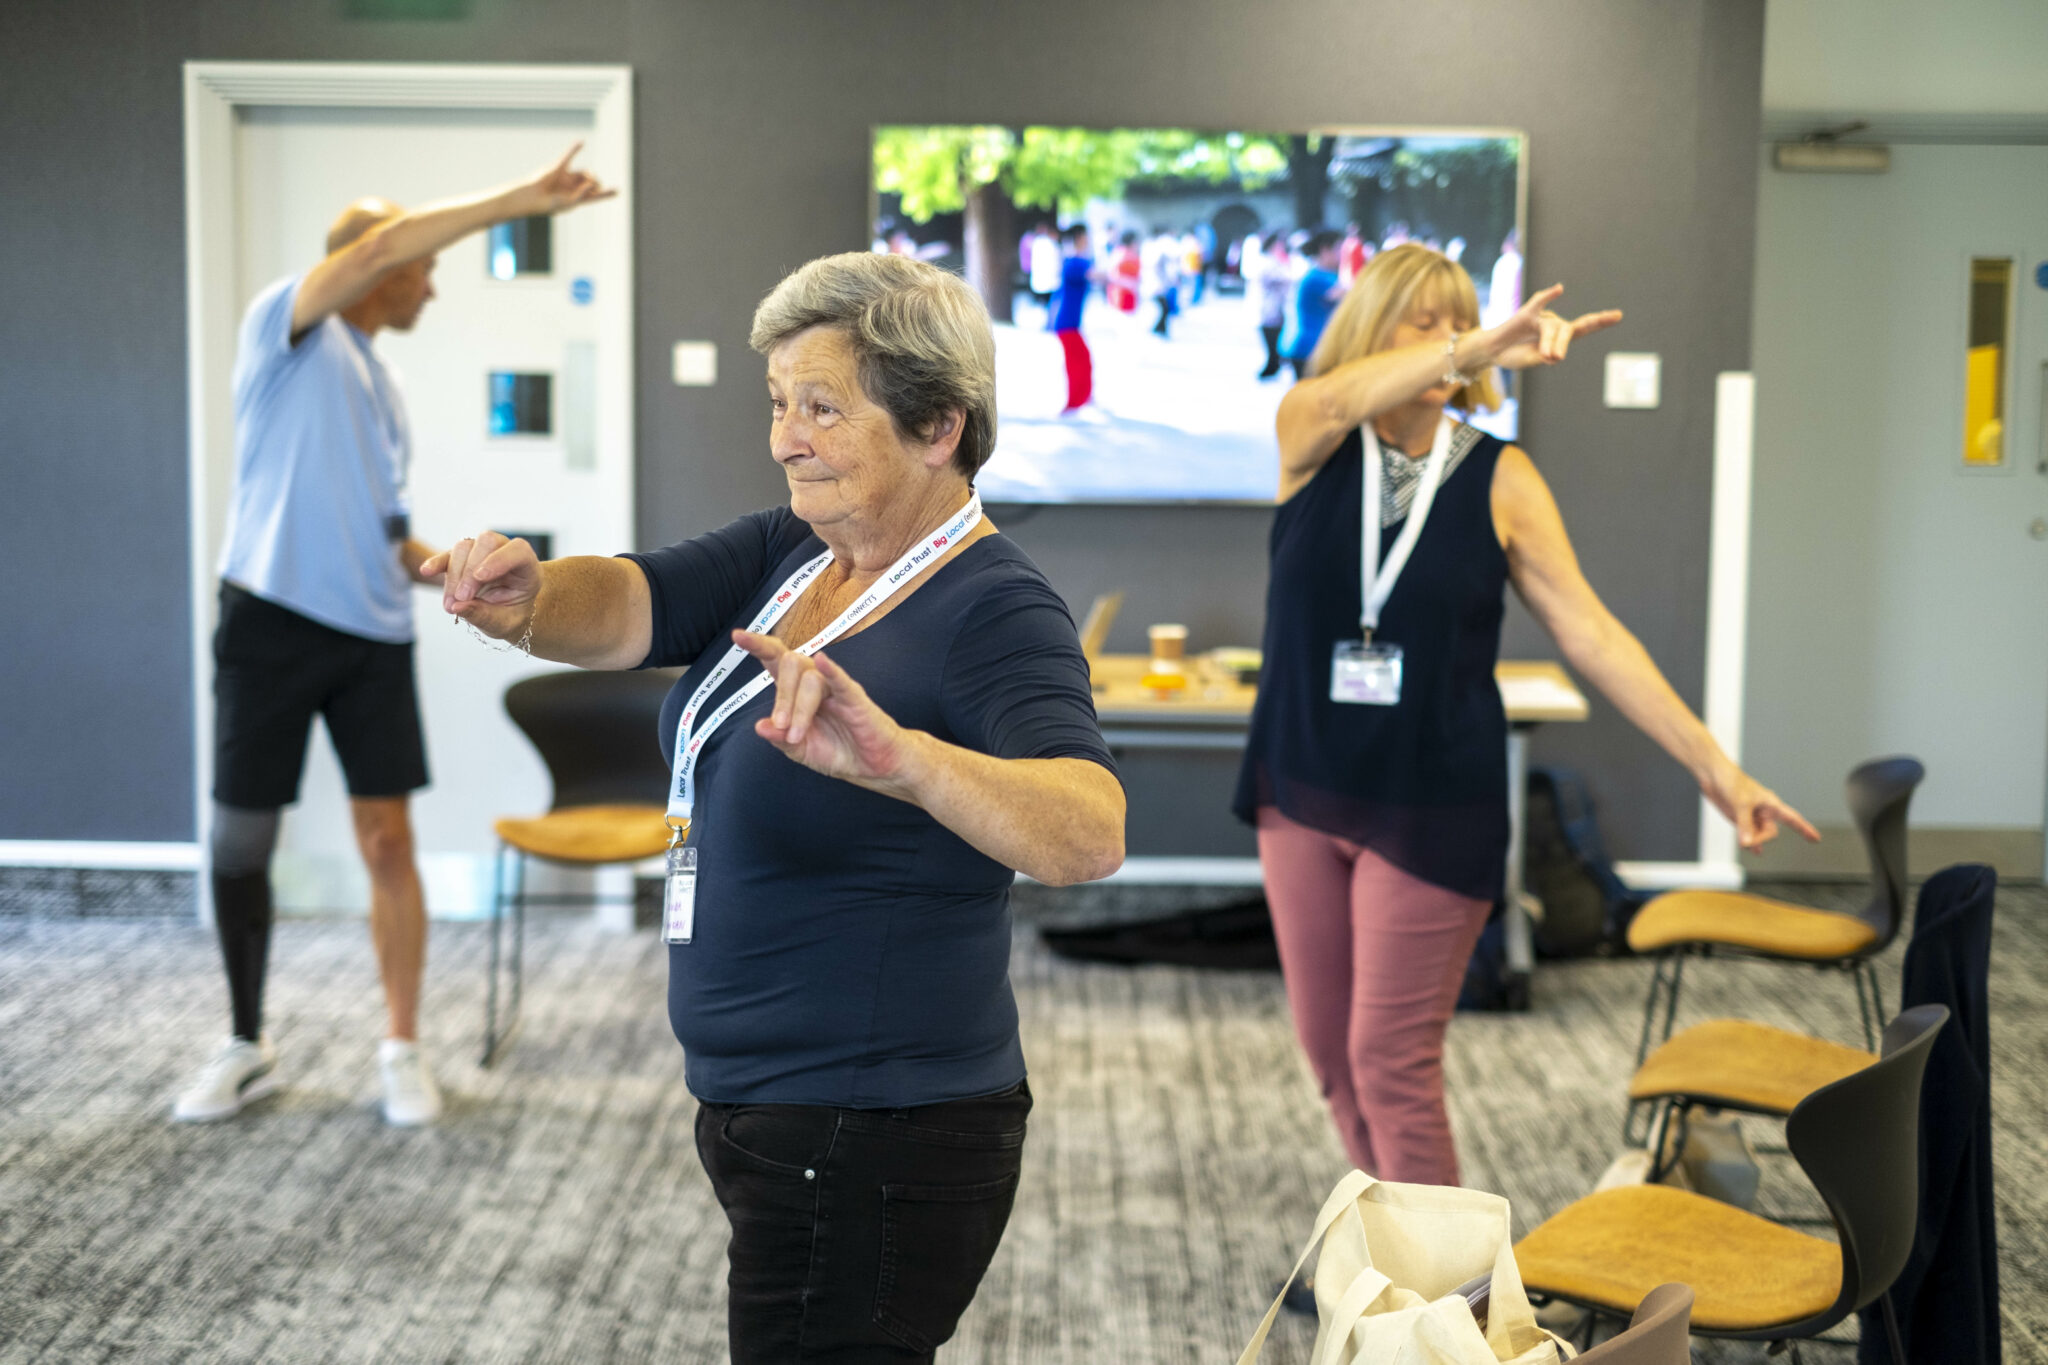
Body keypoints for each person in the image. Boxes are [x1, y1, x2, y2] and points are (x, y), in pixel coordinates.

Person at [430, 251, 1126, 1362]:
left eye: (821, 408)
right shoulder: (795, 549)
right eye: (778, 404)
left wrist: (908, 763)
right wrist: (530, 600)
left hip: (877, 1126)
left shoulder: (996, 609)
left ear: (938, 424)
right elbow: (626, 607)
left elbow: (1088, 831)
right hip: (779, 1110)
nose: (784, 436)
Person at [1233, 243, 1818, 1195]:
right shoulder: (1313, 434)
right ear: (1368, 328)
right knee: (1331, 1056)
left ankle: (1456, 1309)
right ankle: (1391, 1265)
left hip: (1431, 809)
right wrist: (1472, 349)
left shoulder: (1502, 477)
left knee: (1389, 1058)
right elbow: (1337, 399)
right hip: (1300, 793)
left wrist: (1716, 766)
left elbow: (1594, 635)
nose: (1446, 339)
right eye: (1421, 320)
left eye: (1457, 319)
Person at [173, 145, 617, 1127]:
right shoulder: (286, 330)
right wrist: (519, 201)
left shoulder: (381, 382)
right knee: (242, 838)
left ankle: (400, 1046)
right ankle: (247, 1043)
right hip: (269, 623)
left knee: (388, 838)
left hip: (369, 637)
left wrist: (455, 571)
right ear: (377, 267)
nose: (431, 276)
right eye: (419, 263)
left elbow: (380, 533)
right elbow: (387, 241)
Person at [1279, 229, 1346, 381]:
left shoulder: (1326, 275)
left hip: (1313, 347)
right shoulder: (1316, 277)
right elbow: (1350, 295)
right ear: (1325, 249)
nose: (1343, 254)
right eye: (1339, 249)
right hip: (1308, 348)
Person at [1052, 225, 1100, 414]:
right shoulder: (1074, 262)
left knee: (1083, 359)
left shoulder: (1076, 260)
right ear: (1080, 237)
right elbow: (1097, 275)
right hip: (1066, 323)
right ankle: (1073, 403)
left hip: (1070, 323)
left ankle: (1083, 398)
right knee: (1075, 363)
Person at [1251, 231, 1293, 380]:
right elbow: (1285, 277)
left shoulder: (1274, 261)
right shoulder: (1267, 261)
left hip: (1276, 305)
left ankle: (1275, 363)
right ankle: (1273, 363)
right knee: (1271, 336)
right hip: (1270, 305)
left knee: (1276, 336)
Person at [1027, 221, 1062, 328]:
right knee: (1050, 304)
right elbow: (1057, 263)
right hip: (1051, 281)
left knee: (1043, 304)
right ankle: (1049, 323)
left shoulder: (1036, 243)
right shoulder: (1052, 245)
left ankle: (1046, 323)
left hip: (1040, 280)